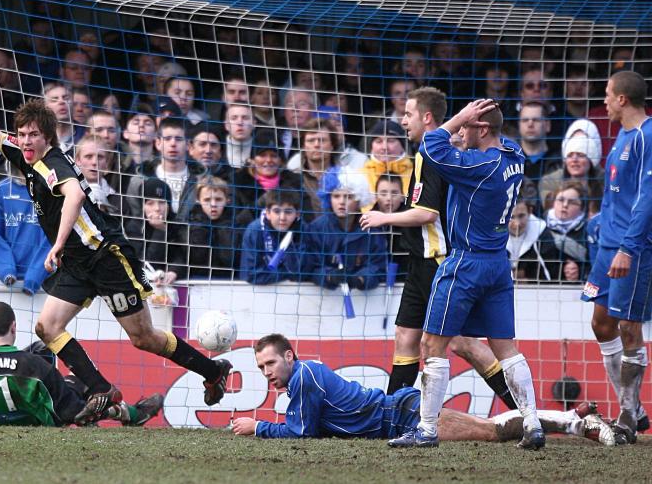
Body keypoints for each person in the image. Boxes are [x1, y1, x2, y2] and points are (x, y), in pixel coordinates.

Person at [0, 66, 232, 425]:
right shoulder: (25, 155)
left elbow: (74, 196)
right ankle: (102, 389)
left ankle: (212, 371)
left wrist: (57, 244)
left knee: (144, 338)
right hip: (78, 262)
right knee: (47, 327)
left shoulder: (53, 163)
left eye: (33, 135)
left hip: (105, 256)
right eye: (22, 134)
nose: (25, 141)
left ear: (48, 137)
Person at [386, 98, 544, 450]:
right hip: (498, 264)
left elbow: (430, 145)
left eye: (467, 126)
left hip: (465, 263)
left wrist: (457, 119)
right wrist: (467, 132)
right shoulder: (514, 156)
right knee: (505, 346)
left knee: (432, 344)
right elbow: (481, 143)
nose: (460, 131)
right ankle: (532, 422)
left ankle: (427, 429)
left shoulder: (477, 166)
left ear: (482, 128)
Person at [360, 87, 519, 415]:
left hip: (440, 259)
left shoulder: (432, 156)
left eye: (408, 115)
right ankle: (393, 415)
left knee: (462, 343)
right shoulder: (430, 153)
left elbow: (427, 214)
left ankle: (523, 407)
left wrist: (383, 217)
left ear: (427, 117)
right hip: (420, 259)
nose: (404, 121)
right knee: (405, 335)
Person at [231, 334, 616, 446]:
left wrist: (258, 426)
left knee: (492, 431)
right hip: (398, 415)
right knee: (490, 430)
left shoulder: (303, 378)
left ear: (289, 355)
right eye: (261, 367)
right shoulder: (304, 376)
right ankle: (571, 420)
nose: (266, 372)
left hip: (404, 416)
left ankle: (572, 421)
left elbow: (303, 433)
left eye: (270, 363)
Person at [0, 302, 164, 427]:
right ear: (14, 327)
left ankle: (125, 413)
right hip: (41, 425)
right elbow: (68, 411)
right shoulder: (33, 364)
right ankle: (130, 413)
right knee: (76, 382)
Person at [581, 70, 652, 442]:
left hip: (632, 247)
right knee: (601, 323)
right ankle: (634, 409)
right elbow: (618, 194)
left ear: (622, 99)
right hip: (607, 245)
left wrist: (628, 247)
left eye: (607, 95)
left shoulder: (646, 136)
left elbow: (647, 198)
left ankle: (627, 415)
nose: (604, 101)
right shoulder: (622, 135)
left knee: (629, 327)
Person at [309, 168, 386, 291]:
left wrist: (360, 279)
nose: (341, 202)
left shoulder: (371, 229)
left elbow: (378, 266)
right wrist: (330, 276)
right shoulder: (316, 228)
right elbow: (312, 267)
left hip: (364, 299)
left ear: (359, 200)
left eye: (349, 197)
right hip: (324, 297)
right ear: (328, 198)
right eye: (336, 196)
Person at [0, 167, 52, 295]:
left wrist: (34, 276)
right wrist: (6, 269)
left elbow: (52, 238)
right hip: (8, 280)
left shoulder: (50, 191)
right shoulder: (0, 191)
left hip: (45, 279)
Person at [239, 190, 314, 285]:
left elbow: (306, 271)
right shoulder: (254, 231)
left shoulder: (304, 230)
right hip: (260, 291)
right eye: (277, 211)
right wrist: (288, 272)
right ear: (268, 213)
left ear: (297, 214)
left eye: (288, 212)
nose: (282, 217)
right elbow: (251, 275)